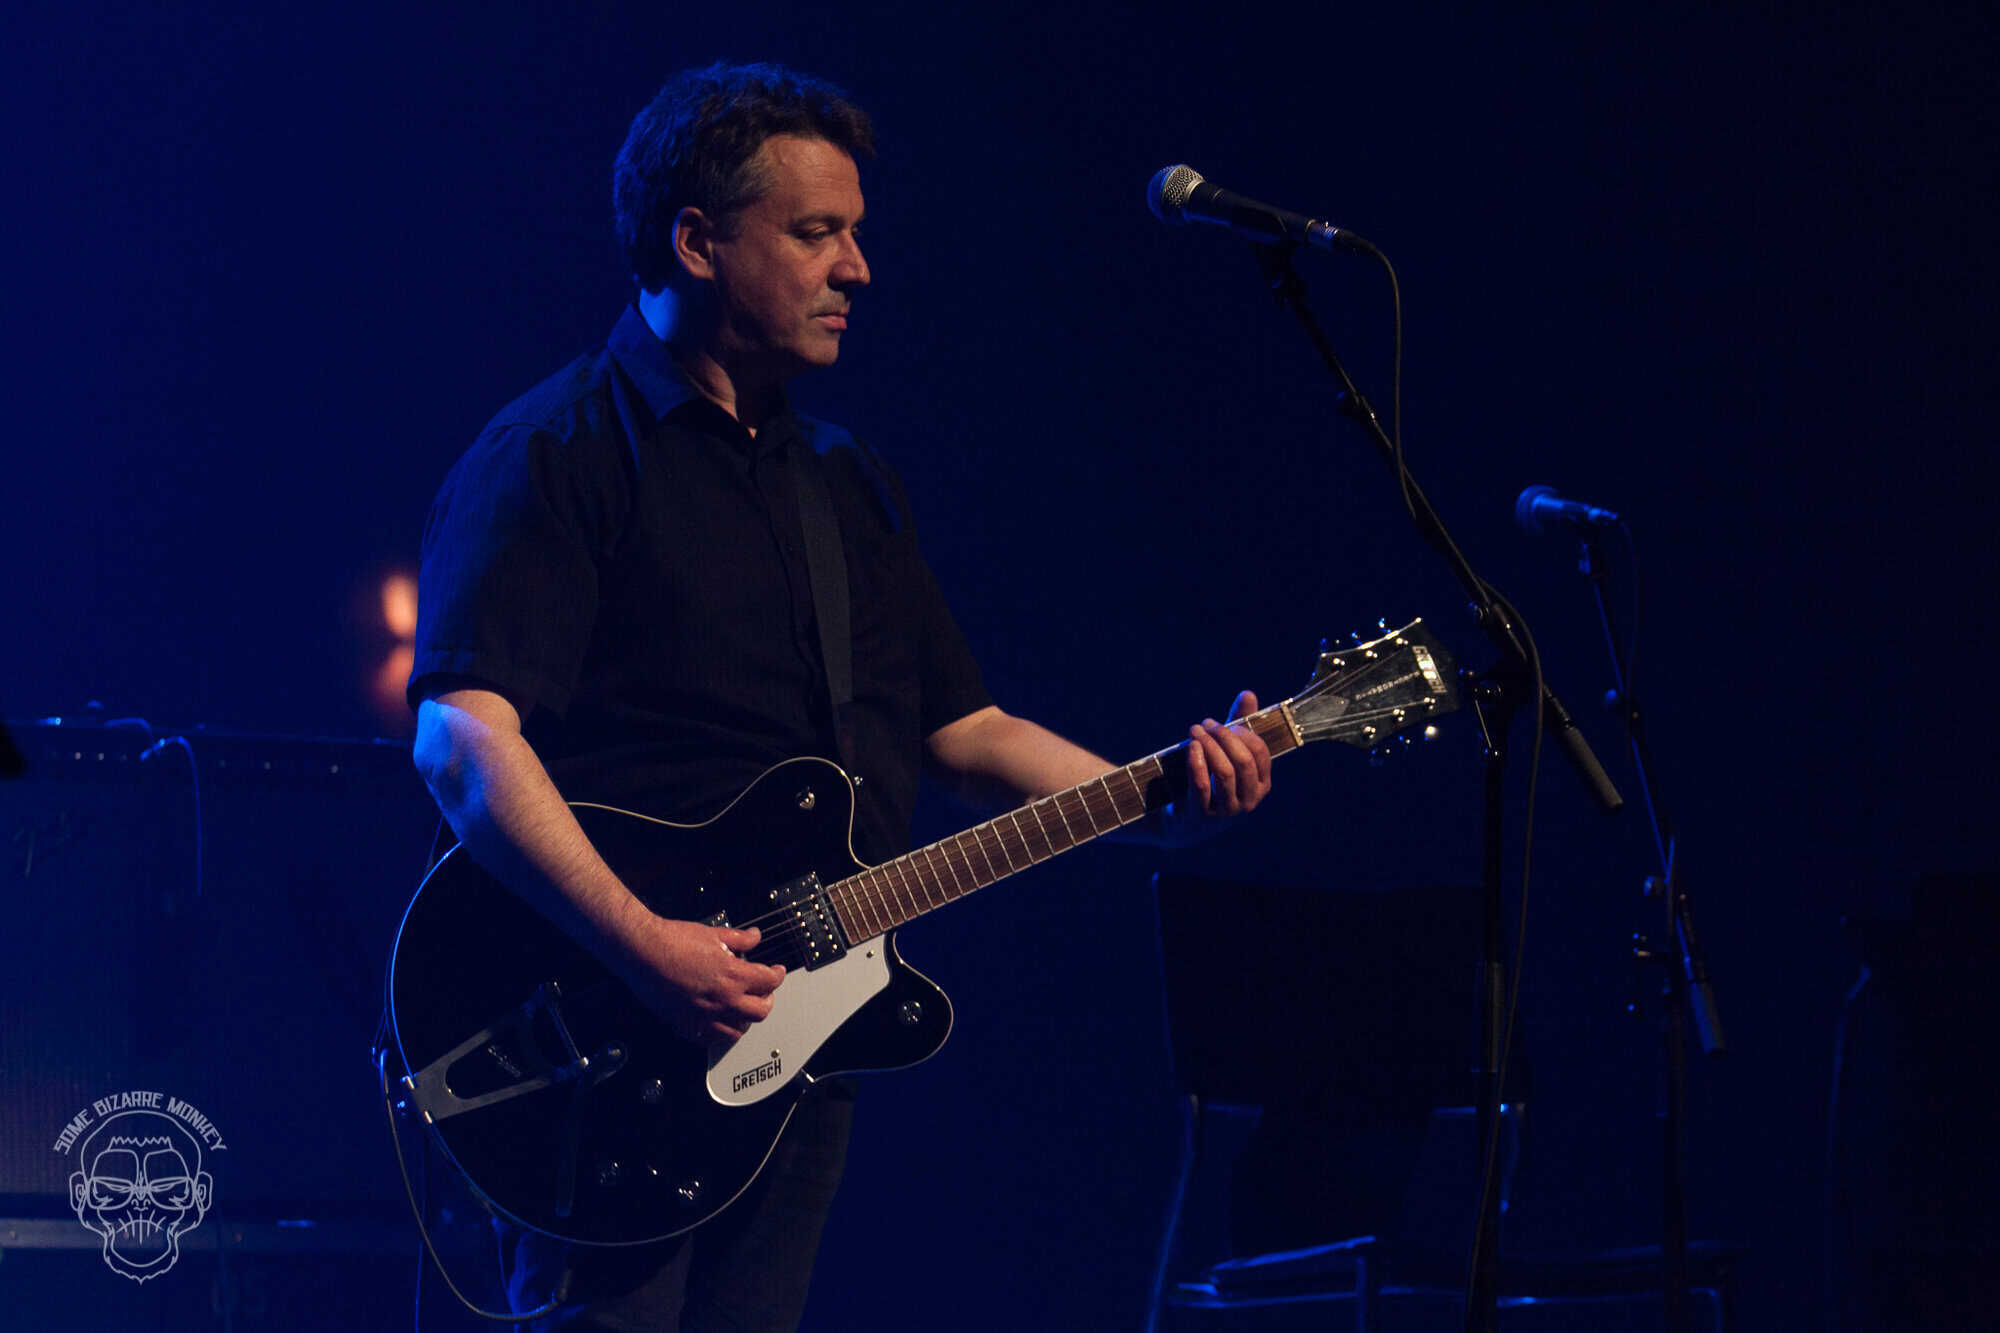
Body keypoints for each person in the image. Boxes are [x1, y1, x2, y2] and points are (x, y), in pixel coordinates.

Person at [407, 60, 1272, 1332]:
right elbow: (461, 738)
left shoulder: (844, 480)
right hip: (599, 1038)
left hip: (797, 1039)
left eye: (855, 233)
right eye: (816, 233)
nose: (856, 269)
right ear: (695, 242)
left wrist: (1162, 805)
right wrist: (646, 946)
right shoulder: (556, 452)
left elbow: (964, 731)